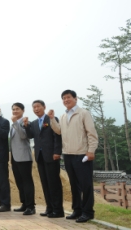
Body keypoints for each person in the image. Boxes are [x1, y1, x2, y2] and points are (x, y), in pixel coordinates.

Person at [49, 90, 98, 223]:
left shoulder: (83, 113)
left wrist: (91, 151)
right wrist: (52, 119)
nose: (66, 100)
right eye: (64, 98)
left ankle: (88, 212)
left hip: (82, 154)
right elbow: (59, 131)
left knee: (86, 184)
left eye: (68, 97)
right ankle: (77, 210)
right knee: (74, 185)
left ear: (75, 99)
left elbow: (91, 133)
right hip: (68, 155)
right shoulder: (64, 116)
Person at [23, 100, 63, 218]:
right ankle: (49, 208)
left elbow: (57, 136)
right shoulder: (34, 123)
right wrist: (26, 126)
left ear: (44, 107)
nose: (36, 109)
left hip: (51, 155)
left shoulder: (51, 119)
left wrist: (57, 152)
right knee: (45, 183)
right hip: (40, 157)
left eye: (38, 106)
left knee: (54, 183)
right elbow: (30, 135)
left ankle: (58, 210)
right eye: (34, 107)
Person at [9, 103, 35, 215]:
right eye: (13, 109)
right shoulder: (13, 124)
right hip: (15, 157)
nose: (15, 111)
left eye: (17, 109)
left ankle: (31, 206)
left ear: (23, 110)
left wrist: (15, 123)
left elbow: (24, 136)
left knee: (27, 182)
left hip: (24, 157)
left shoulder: (25, 122)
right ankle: (24, 203)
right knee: (19, 182)